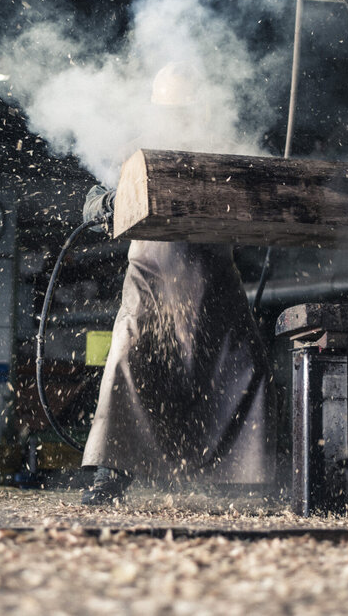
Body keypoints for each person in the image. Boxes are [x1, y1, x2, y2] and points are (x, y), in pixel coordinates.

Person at [78, 62, 276, 505]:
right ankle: (111, 477)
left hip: (214, 283)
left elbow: (257, 197)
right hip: (149, 282)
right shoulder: (134, 153)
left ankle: (244, 478)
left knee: (247, 366)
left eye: (185, 110)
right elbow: (91, 204)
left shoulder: (221, 150)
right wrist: (112, 201)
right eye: (170, 111)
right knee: (127, 363)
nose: (178, 120)